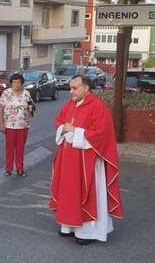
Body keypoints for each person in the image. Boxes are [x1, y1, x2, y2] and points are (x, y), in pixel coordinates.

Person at [49, 75, 123, 245]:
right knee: (68, 192)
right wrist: (64, 129)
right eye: (70, 88)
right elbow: (60, 121)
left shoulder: (98, 107)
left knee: (88, 193)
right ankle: (68, 226)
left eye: (75, 88)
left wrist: (75, 131)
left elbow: (101, 134)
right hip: (68, 158)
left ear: (86, 88)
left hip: (87, 160)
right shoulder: (70, 104)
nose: (71, 91)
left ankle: (88, 232)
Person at [0, 73, 33, 176]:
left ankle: (20, 168)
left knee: (20, 148)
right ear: (11, 83)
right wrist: (1, 124)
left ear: (21, 83)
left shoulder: (26, 93)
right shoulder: (6, 93)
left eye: (18, 82)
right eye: (14, 82)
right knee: (9, 148)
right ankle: (8, 169)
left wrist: (30, 112)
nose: (16, 84)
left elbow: (30, 105)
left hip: (23, 125)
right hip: (9, 125)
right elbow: (0, 109)